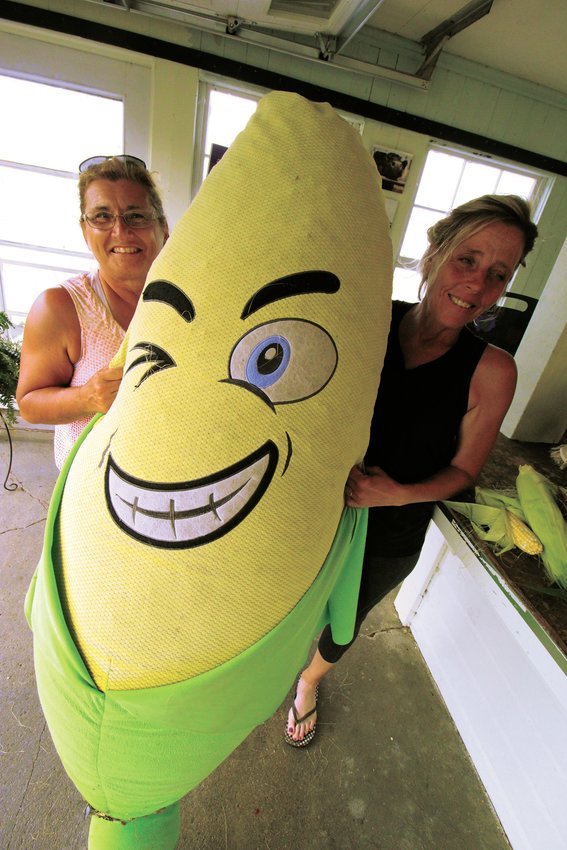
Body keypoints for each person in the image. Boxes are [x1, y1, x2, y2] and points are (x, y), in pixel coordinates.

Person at [285, 193, 538, 747]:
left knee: (342, 624)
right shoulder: (367, 320)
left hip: (392, 533)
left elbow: (463, 470)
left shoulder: (492, 371)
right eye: (467, 260)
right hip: (313, 513)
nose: (476, 284)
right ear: (434, 253)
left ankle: (308, 683)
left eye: (498, 274)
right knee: (284, 606)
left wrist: (395, 493)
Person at [16, 155, 168, 469]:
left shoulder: (189, 296)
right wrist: (87, 397)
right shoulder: (59, 307)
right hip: (92, 495)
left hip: (179, 481)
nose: (121, 231)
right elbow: (30, 403)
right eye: (102, 216)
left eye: (136, 215)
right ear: (86, 232)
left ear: (163, 227)